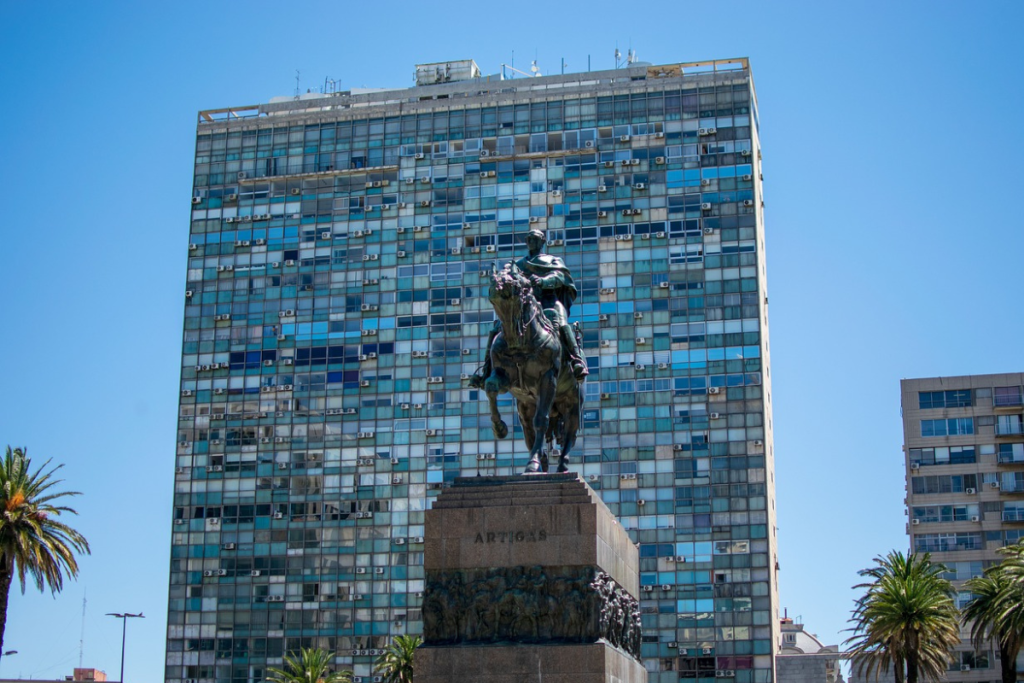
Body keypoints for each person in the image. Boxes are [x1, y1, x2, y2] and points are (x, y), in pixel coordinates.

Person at [470, 229, 589, 386]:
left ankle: (576, 361)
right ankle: (487, 369)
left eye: (534, 238)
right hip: (525, 305)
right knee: (498, 327)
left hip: (549, 301)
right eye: (528, 239)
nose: (531, 241)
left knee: (561, 323)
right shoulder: (519, 265)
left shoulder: (553, 260)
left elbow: (560, 277)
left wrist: (543, 281)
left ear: (542, 241)